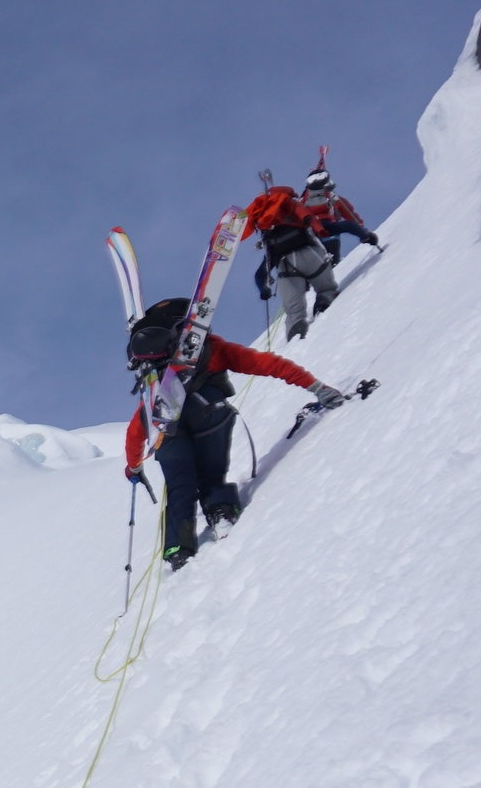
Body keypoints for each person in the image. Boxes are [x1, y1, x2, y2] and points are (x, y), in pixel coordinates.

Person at [121, 297, 349, 569]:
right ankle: (221, 512)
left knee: (180, 487)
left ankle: (177, 547)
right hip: (211, 413)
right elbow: (269, 364)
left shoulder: (153, 382)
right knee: (212, 473)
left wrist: (133, 467)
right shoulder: (213, 349)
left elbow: (136, 431)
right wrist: (315, 386)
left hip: (166, 434)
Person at [244, 177, 340, 339]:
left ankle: (297, 330)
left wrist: (264, 291)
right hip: (311, 254)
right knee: (326, 288)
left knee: (294, 312)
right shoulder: (294, 208)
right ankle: (324, 302)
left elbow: (260, 274)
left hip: (285, 267)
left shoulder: (271, 241)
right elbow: (312, 220)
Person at [300, 165, 380, 260]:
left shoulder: (303, 201)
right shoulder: (332, 197)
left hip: (311, 232)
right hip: (329, 229)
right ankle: (366, 237)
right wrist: (363, 231)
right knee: (348, 225)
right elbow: (349, 214)